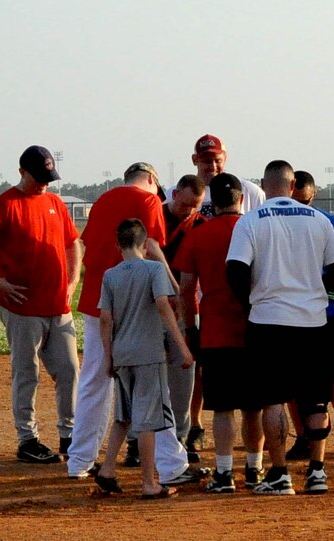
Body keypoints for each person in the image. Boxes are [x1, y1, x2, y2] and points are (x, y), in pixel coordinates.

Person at [68, 162, 206, 485]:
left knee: (94, 381)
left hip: (98, 298)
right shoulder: (148, 202)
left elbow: (88, 246)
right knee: (151, 383)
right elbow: (154, 246)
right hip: (136, 303)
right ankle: (171, 466)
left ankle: (79, 461)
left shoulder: (102, 200)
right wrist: (174, 287)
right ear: (152, 180)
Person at [226, 160, 334, 495]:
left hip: (268, 321)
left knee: (273, 401)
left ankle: (280, 473)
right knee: (316, 401)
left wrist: (251, 303)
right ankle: (317, 472)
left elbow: (235, 271)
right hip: (313, 320)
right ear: (293, 183)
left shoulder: (250, 221)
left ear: (263, 186)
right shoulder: (318, 220)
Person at [0, 145, 80, 464]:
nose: (45, 183)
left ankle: (69, 436)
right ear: (22, 172)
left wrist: (72, 281)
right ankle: (28, 440)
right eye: (39, 177)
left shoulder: (54, 202)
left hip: (58, 306)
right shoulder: (6, 204)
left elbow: (72, 242)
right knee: (27, 373)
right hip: (22, 307)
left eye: (48, 177)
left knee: (69, 370)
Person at [165, 133, 266, 456]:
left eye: (217, 158)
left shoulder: (250, 192)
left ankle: (227, 468)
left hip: (221, 307)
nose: (212, 164)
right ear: (195, 160)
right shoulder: (183, 192)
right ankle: (252, 463)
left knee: (227, 401)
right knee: (245, 398)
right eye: (206, 159)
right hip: (228, 303)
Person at [93, 219, 194, 500]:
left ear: (118, 246)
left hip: (123, 353)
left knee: (123, 416)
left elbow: (105, 319)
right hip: (148, 354)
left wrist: (108, 357)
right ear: (145, 245)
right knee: (149, 421)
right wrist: (182, 346)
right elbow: (163, 306)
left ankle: (108, 469)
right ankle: (150, 482)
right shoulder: (153, 269)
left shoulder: (110, 275)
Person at [124, 174, 204, 466]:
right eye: (185, 204)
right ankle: (137, 442)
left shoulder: (199, 224)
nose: (189, 211)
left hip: (182, 309)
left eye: (195, 206)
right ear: (175, 193)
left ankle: (179, 438)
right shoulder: (155, 217)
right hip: (149, 307)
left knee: (184, 371)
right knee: (145, 374)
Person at [286, 171, 334, 460]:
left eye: (304, 201)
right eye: (295, 200)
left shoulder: (328, 223)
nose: (300, 206)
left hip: (325, 310)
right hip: (291, 313)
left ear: (312, 196)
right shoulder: (280, 222)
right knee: (292, 379)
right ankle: (303, 437)